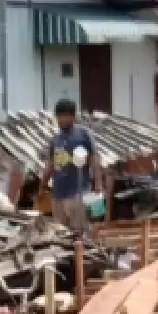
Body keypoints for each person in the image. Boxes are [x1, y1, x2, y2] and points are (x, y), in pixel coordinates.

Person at [40, 96, 100, 232]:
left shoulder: (83, 134)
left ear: (73, 116)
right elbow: (51, 163)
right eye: (59, 116)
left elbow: (95, 159)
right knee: (60, 233)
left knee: (81, 232)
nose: (61, 120)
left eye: (65, 116)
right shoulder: (56, 139)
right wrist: (42, 184)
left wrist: (98, 185)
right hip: (58, 195)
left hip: (79, 194)